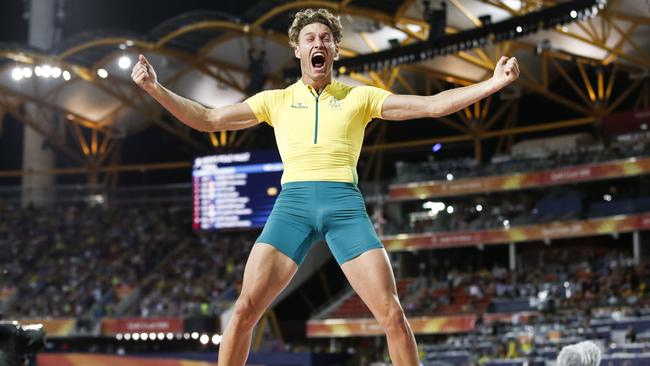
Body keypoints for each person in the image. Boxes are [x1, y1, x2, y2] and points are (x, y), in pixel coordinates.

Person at [131, 8, 519, 366]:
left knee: (392, 313)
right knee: (245, 308)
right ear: (297, 49)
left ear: (334, 49)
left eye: (325, 38)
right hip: (292, 207)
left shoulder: (359, 97)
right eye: (310, 38)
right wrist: (154, 89)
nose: (318, 43)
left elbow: (433, 105)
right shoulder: (276, 101)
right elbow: (208, 118)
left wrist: (493, 83)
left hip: (345, 207)